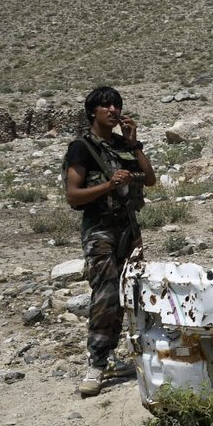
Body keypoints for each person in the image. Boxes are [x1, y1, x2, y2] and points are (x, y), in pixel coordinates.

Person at [63, 86, 157, 397]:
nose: (113, 110)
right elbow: (73, 196)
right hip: (100, 230)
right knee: (106, 294)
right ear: (93, 111)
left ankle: (130, 354)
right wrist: (108, 185)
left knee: (134, 290)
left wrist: (134, 143)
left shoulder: (123, 145)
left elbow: (150, 179)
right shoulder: (81, 148)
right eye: (106, 106)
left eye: (117, 105)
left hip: (129, 228)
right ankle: (97, 363)